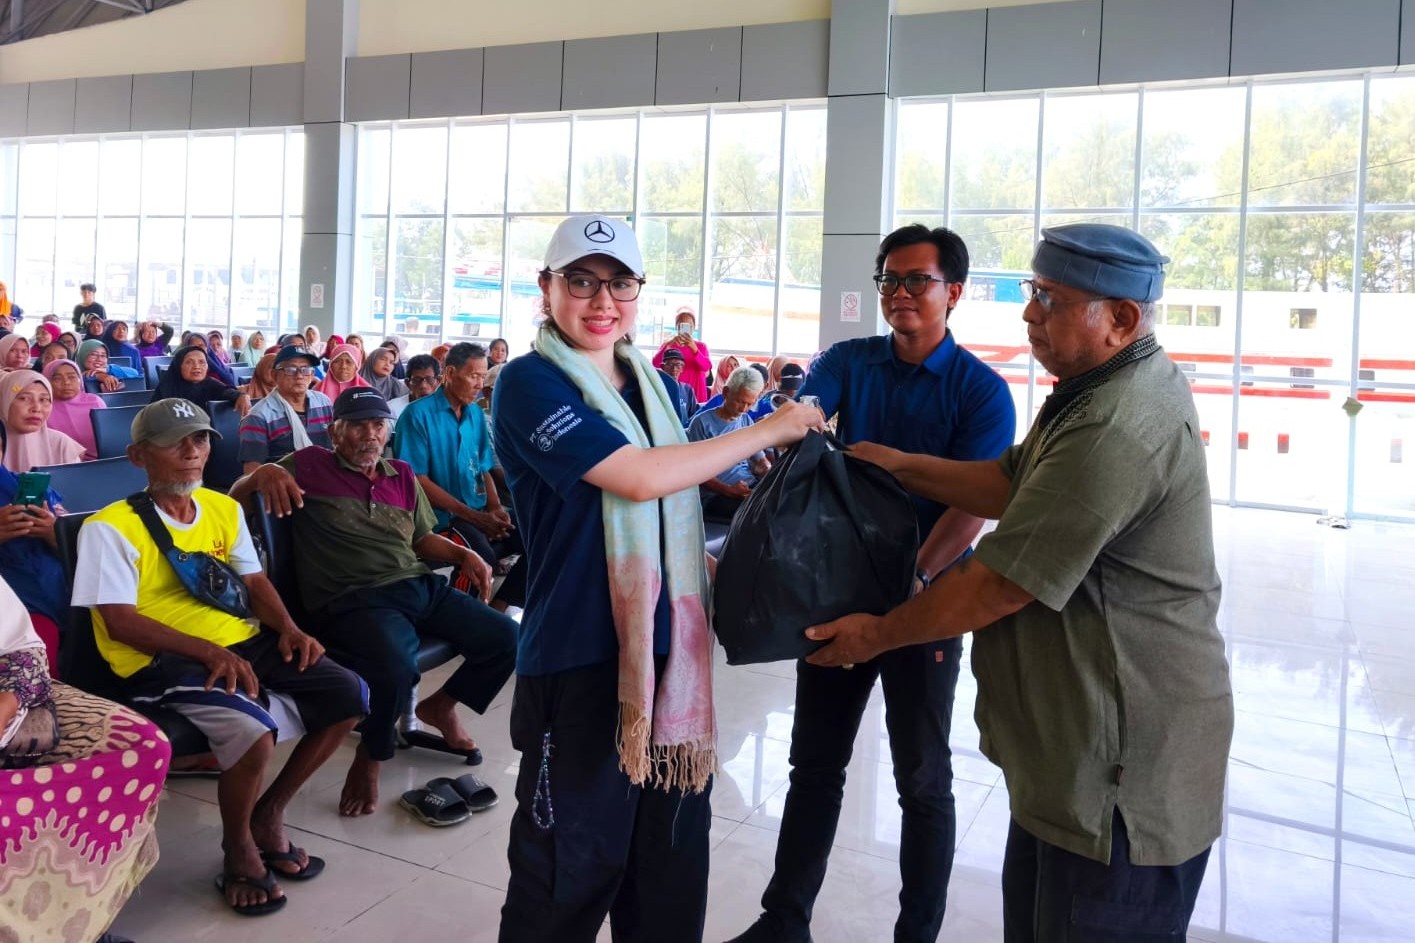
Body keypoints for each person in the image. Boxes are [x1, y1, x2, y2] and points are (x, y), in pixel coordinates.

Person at [804, 224, 1234, 943]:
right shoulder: (1095, 388)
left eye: (1051, 298)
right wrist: (899, 463)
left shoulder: (1114, 424)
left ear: (1120, 318)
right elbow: (1010, 478)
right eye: (1032, 292)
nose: (1029, 312)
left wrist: (875, 633)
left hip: (1120, 779)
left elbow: (1000, 582)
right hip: (1069, 762)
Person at [492, 214, 823, 942]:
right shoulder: (527, 382)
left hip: (668, 661)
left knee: (666, 879)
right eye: (579, 280)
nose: (600, 299)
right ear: (546, 288)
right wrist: (771, 426)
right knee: (563, 877)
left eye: (619, 283)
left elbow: (671, 516)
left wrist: (730, 577)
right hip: (578, 656)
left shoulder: (658, 388)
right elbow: (638, 479)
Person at [728, 223, 1017, 943]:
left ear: (953, 291)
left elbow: (971, 507)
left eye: (916, 279)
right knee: (814, 763)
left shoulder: (979, 392)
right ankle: (782, 920)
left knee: (922, 780)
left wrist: (912, 581)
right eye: (888, 279)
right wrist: (790, 426)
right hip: (837, 596)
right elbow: (808, 410)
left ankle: (915, 933)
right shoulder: (850, 361)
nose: (898, 293)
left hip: (927, 604)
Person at [72, 398, 368, 915]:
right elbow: (119, 621)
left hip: (237, 641)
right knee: (253, 734)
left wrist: (290, 628)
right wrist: (207, 650)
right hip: (158, 659)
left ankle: (269, 813)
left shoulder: (222, 508)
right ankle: (238, 849)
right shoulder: (109, 528)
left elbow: (253, 582)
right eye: (177, 442)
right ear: (139, 455)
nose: (193, 452)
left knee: (349, 693)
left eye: (202, 439)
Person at [230, 387, 518, 818]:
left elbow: (421, 539)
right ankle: (373, 755)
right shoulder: (308, 465)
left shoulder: (400, 474)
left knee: (507, 637)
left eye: (378, 425)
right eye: (359, 424)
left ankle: (440, 706)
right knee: (397, 666)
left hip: (415, 584)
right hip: (352, 596)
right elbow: (234, 498)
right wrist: (261, 474)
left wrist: (464, 553)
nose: (370, 434)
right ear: (334, 432)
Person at [0, 575, 171, 943]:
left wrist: (6, 703)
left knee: (141, 748)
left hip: (9, 696)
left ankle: (82, 919)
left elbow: (24, 651)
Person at [395, 342, 526, 613]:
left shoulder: (476, 414)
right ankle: (461, 616)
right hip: (438, 519)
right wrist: (475, 517)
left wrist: (494, 507)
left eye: (483, 375)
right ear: (451, 373)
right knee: (480, 557)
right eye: (474, 376)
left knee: (539, 536)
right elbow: (417, 480)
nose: (480, 383)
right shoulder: (417, 415)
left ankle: (498, 608)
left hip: (476, 510)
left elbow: (483, 466)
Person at [0, 467, 67, 673]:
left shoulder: (31, 487)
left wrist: (54, 532)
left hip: (64, 592)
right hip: (13, 608)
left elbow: (78, 548)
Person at [687, 365, 770, 521]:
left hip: (747, 486)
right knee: (761, 513)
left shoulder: (745, 420)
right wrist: (729, 490)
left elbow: (760, 459)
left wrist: (766, 468)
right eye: (740, 402)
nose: (743, 409)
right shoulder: (702, 423)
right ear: (726, 393)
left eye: (749, 404)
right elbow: (697, 474)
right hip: (717, 495)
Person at [238, 346, 332, 474]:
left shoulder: (323, 403)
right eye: (290, 369)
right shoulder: (258, 417)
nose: (299, 375)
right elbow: (252, 473)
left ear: (312, 375)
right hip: (283, 488)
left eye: (305, 369)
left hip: (326, 480)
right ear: (274, 375)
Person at [2, 370, 86, 471]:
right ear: (4, 400)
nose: (37, 408)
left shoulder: (61, 444)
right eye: (24, 398)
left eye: (44, 400)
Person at [150, 345, 251, 418]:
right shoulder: (167, 387)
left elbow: (226, 391)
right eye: (189, 362)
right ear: (178, 366)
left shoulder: (210, 383)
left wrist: (241, 395)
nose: (197, 367)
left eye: (202, 362)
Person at [44, 358, 106, 461]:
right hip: (63, 466)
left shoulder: (95, 401)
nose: (66, 382)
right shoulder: (43, 407)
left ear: (80, 379)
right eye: (57, 378)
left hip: (102, 461)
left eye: (72, 377)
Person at [651, 307, 712, 401]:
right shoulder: (669, 344)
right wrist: (668, 345)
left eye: (689, 325)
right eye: (682, 325)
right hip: (675, 391)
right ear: (677, 327)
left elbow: (706, 367)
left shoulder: (700, 346)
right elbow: (655, 363)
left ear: (693, 327)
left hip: (696, 393)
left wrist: (694, 349)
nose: (685, 329)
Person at [387, 352, 440, 420]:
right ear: (407, 383)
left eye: (429, 379)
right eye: (417, 380)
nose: (423, 386)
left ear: (438, 381)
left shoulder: (448, 409)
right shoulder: (392, 410)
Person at [658, 347, 698, 426]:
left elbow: (693, 415)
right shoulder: (657, 388)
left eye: (678, 365)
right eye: (669, 364)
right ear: (662, 367)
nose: (674, 368)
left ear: (682, 368)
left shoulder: (687, 389)